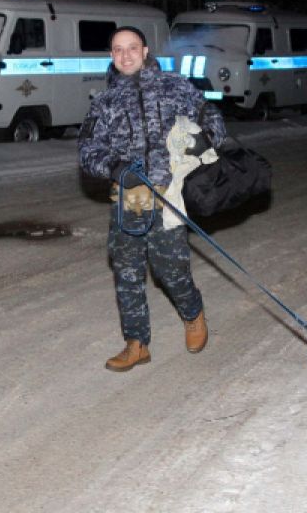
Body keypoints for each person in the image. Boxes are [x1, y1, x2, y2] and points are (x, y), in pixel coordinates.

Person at [77, 26, 227, 372]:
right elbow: (86, 149)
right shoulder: (104, 102)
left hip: (168, 196)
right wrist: (113, 167)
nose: (125, 55)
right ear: (112, 56)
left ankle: (192, 313)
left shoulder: (175, 87)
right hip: (129, 198)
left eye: (132, 48)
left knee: (169, 269)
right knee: (127, 271)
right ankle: (136, 343)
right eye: (118, 49)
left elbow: (213, 119)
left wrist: (205, 139)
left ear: (145, 51)